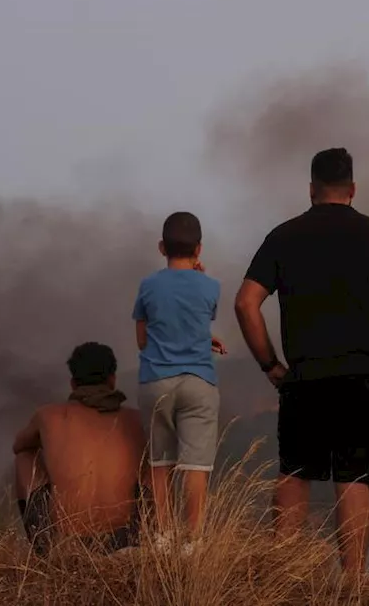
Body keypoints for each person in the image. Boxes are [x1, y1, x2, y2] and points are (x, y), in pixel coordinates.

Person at [234, 147, 369, 574]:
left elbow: (246, 304)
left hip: (306, 375)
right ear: (353, 189)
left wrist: (270, 366)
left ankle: (279, 575)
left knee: (294, 473)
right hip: (367, 375)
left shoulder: (283, 236)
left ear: (312, 189)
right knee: (354, 479)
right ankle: (352, 585)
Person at [132, 211, 225, 547]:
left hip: (156, 380)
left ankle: (162, 536)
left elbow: (142, 340)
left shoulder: (148, 286)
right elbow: (196, 321)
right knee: (195, 466)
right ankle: (193, 542)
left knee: (160, 462)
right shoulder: (211, 286)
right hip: (199, 381)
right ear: (199, 249)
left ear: (161, 247)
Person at [11, 341, 147, 554]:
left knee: (25, 458)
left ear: (73, 383)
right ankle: (152, 535)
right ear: (113, 379)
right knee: (154, 460)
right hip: (128, 539)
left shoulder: (48, 416)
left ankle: (43, 544)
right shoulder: (137, 420)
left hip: (68, 544)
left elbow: (19, 446)